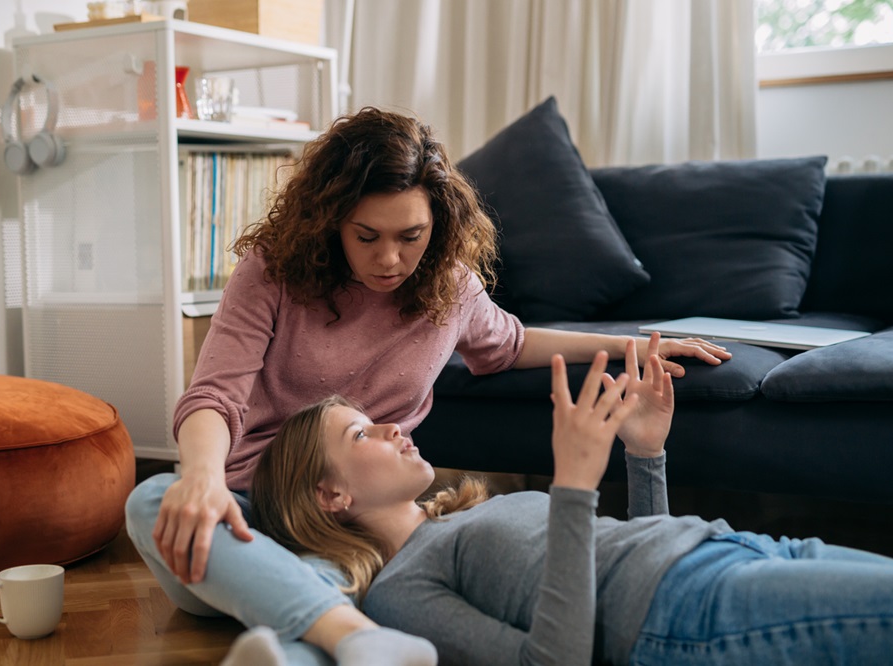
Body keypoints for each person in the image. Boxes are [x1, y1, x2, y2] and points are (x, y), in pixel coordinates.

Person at [124, 106, 731, 666]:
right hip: (250, 513)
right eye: (367, 236)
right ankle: (342, 627)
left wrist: (632, 346)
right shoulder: (273, 273)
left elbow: (511, 344)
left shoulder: (451, 287)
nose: (390, 258)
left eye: (409, 236)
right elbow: (214, 395)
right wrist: (202, 480)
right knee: (150, 499)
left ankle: (330, 636)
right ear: (331, 221)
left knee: (353, 584)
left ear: (436, 225)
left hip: (360, 526)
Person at [246, 334, 893, 666]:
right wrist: (574, 485)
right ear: (331, 495)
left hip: (732, 554)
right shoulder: (399, 594)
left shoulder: (465, 519)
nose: (395, 426)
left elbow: (634, 557)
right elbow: (557, 661)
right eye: (364, 432)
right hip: (700, 612)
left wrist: (645, 455)